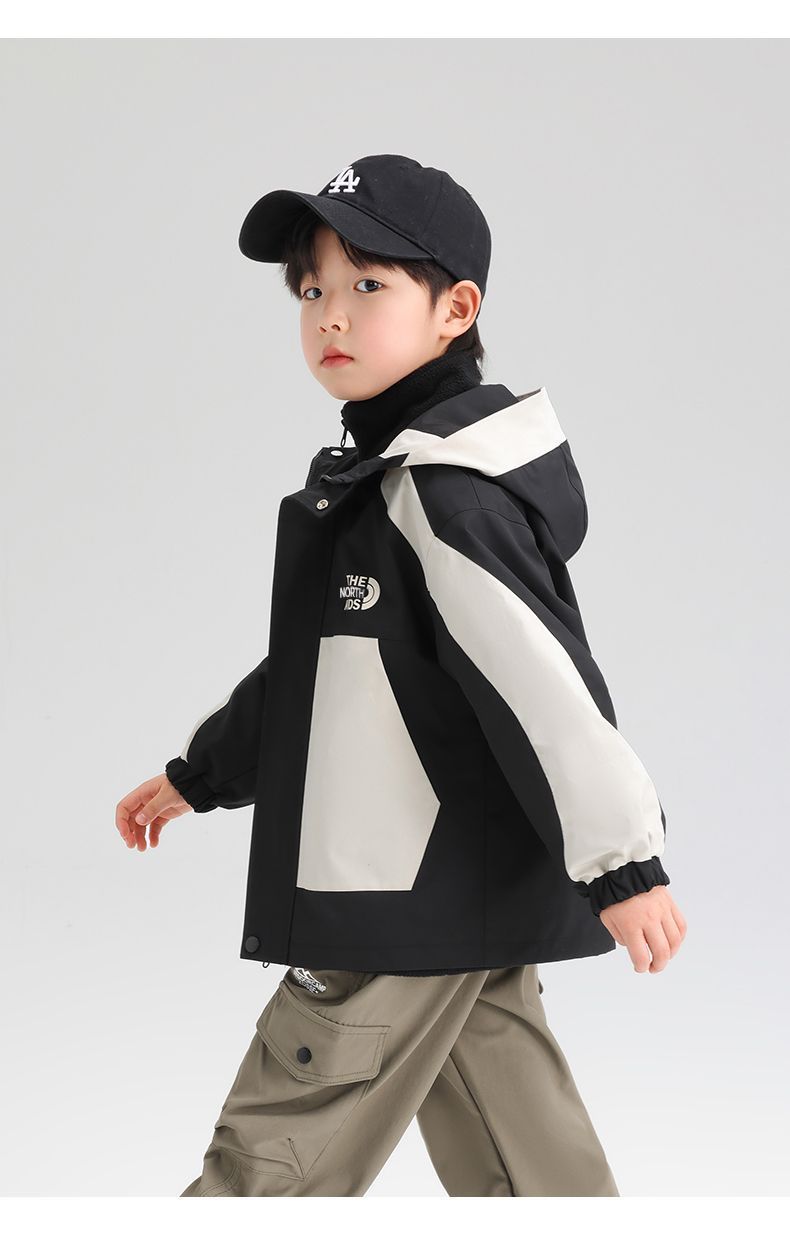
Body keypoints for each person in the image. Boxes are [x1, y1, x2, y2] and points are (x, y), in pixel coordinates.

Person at [115, 154, 687, 1197]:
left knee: (272, 1155)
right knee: (527, 1157)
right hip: (439, 892)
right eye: (311, 289)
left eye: (368, 284)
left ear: (455, 310)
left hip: (391, 888)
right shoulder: (384, 485)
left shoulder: (444, 494)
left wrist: (623, 863)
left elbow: (542, 686)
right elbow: (323, 671)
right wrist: (203, 773)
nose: (329, 314)